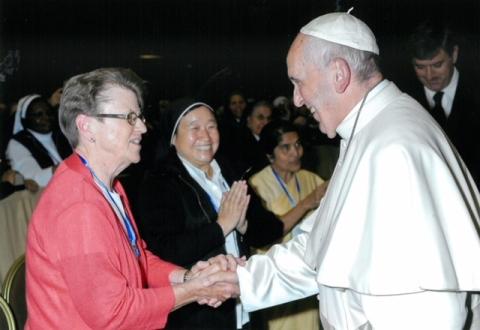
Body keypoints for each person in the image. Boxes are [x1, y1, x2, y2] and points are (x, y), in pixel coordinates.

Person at [233, 10, 480, 330]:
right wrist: (240, 280)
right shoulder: (368, 130)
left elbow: (433, 313)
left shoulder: (394, 149)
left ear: (338, 73)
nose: (296, 100)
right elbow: (319, 248)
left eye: (298, 82)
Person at [25, 68, 240, 329]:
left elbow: (137, 259)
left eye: (139, 116)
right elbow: (112, 314)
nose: (141, 127)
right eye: (129, 117)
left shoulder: (106, 184)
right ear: (87, 126)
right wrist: (196, 290)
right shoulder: (79, 205)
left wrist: (187, 277)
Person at [136, 99, 314, 329]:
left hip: (245, 308)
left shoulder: (231, 172)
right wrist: (221, 227)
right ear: (173, 137)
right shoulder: (159, 183)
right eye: (194, 128)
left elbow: (268, 232)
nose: (205, 136)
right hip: (200, 316)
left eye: (211, 126)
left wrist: (244, 226)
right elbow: (164, 253)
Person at [248, 120, 327, 330]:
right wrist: (308, 202)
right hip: (276, 277)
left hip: (307, 274)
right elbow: (265, 235)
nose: (296, 153)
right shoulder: (257, 185)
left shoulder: (311, 179)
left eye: (298, 145)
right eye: (286, 147)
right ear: (269, 154)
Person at [405, 20, 480, 186]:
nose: (430, 76)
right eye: (420, 67)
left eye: (437, 65)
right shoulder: (403, 97)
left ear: (454, 54)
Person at [6, 94, 71, 187]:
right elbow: (32, 178)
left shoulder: (61, 135)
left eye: (49, 113)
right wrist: (65, 168)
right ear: (25, 119)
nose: (46, 118)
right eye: (39, 115)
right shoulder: (18, 143)